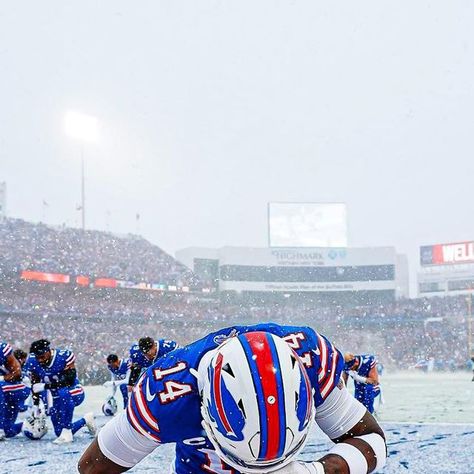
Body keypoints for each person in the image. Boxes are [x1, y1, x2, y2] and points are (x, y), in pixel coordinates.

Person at [79, 324, 386, 474]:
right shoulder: (167, 395)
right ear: (205, 408)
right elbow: (93, 467)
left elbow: (370, 438)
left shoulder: (309, 359)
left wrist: (318, 471)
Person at [27, 339, 96, 444]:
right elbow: (35, 385)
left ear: (48, 351)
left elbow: (69, 380)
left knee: (63, 392)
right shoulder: (32, 362)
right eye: (37, 358)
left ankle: (68, 431)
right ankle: (85, 420)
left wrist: (46, 386)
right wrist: (36, 405)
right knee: (59, 432)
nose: (40, 360)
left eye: (42, 357)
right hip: (56, 395)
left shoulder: (63, 356)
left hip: (73, 391)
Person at [0, 342, 30, 440]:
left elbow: (17, 373)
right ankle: (28, 425)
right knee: (8, 431)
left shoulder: (3, 350)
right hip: (5, 391)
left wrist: (1, 378)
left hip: (18, 386)